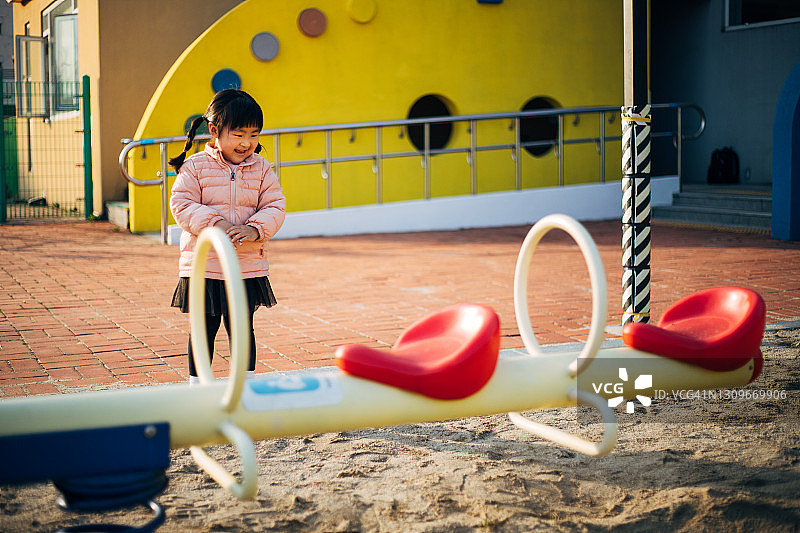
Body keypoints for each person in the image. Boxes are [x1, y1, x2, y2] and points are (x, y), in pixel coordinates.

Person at [169, 89, 286, 384]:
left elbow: (275, 205)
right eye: (238, 134)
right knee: (203, 329)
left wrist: (255, 229)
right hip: (204, 266)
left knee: (242, 328)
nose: (247, 143)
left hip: (245, 267)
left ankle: (244, 388)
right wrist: (215, 224)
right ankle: (198, 387)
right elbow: (181, 204)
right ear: (214, 130)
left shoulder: (261, 169)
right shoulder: (195, 167)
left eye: (254, 134)